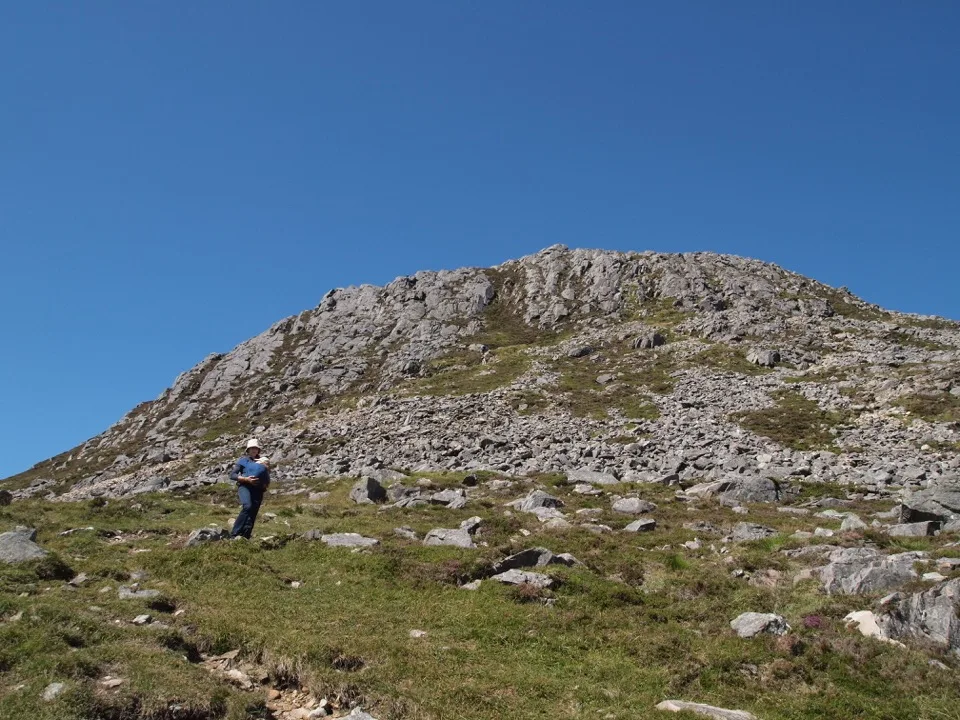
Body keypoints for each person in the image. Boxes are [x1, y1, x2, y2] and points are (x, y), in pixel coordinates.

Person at [229, 438, 271, 539]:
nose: (254, 450)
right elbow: (232, 475)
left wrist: (267, 468)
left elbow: (265, 475)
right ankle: (234, 533)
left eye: (256, 448)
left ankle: (245, 536)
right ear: (248, 450)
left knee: (253, 512)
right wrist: (246, 479)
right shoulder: (243, 461)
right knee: (247, 506)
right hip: (245, 486)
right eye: (252, 448)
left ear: (258, 450)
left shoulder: (263, 461)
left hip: (258, 489)